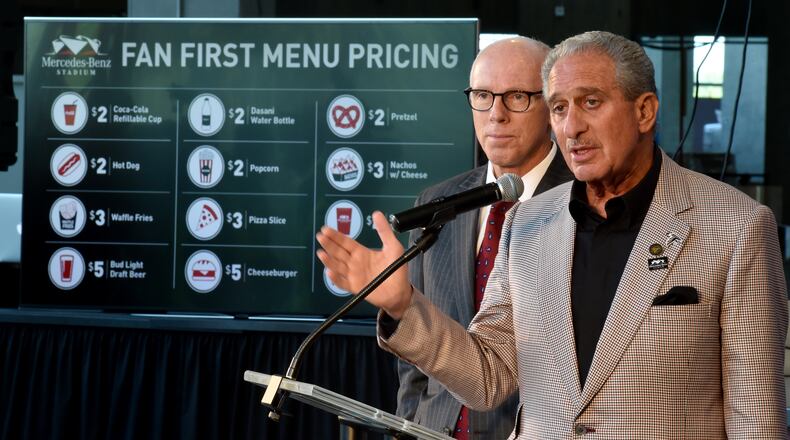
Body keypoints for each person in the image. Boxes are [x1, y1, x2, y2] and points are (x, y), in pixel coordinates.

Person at [316, 31, 788, 438]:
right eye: (559, 108)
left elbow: (756, 418)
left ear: (644, 111)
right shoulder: (526, 222)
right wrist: (404, 306)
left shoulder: (736, 226)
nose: (572, 126)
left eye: (591, 103)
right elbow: (488, 377)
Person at [398, 36, 572, 439]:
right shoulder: (437, 203)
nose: (496, 115)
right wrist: (410, 424)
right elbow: (413, 360)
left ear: (552, 105)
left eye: (516, 97)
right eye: (482, 96)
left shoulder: (583, 203)